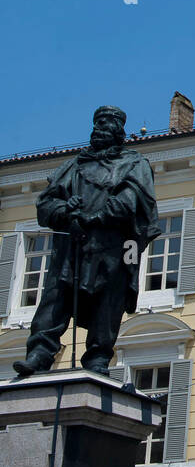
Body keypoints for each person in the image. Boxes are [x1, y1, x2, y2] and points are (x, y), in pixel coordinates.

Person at [13, 105, 161, 377]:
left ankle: (98, 358)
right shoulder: (72, 167)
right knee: (55, 299)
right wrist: (66, 210)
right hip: (72, 245)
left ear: (119, 130)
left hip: (113, 247)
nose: (101, 128)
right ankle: (40, 353)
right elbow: (45, 206)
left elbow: (132, 202)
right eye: (98, 123)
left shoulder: (134, 164)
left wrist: (95, 217)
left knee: (108, 302)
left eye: (108, 123)